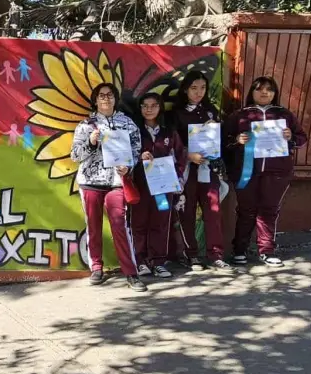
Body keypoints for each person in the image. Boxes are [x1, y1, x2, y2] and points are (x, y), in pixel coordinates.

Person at [224, 76, 309, 267]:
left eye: (269, 90)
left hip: (277, 172)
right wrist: (237, 140)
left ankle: (267, 250)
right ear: (251, 92)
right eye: (260, 89)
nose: (264, 93)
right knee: (246, 211)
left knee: (269, 211)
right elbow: (223, 143)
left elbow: (302, 139)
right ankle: (239, 250)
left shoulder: (284, 115)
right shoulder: (239, 116)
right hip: (246, 172)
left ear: (275, 93)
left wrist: (291, 137)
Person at [70, 82, 146, 291]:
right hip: (90, 182)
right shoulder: (86, 125)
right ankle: (96, 267)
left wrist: (128, 167)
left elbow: (136, 151)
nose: (106, 98)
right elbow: (75, 155)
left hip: (116, 183)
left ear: (115, 98)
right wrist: (91, 143)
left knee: (120, 226)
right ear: (95, 99)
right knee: (93, 226)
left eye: (110, 95)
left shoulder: (127, 123)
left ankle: (131, 272)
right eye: (101, 95)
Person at [169, 71, 234, 271]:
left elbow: (219, 140)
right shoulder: (175, 113)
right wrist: (188, 155)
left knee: (213, 211)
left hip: (209, 169)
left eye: (203, 88)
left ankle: (216, 255)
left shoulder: (211, 111)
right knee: (186, 212)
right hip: (186, 171)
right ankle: (192, 256)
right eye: (194, 88)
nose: (199, 92)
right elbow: (170, 143)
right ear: (185, 89)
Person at [131, 92, 184, 279]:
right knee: (138, 223)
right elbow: (123, 156)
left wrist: (177, 179)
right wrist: (139, 157)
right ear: (140, 108)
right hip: (140, 185)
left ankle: (158, 262)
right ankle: (140, 261)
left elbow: (180, 157)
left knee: (160, 223)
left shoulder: (169, 132)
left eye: (153, 105)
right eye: (145, 105)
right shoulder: (134, 131)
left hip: (164, 186)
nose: (149, 109)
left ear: (160, 107)